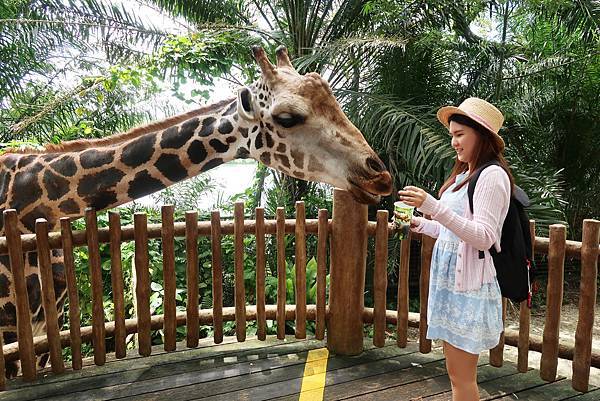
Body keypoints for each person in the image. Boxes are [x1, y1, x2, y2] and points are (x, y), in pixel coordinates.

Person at [398, 97, 514, 401]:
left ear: (481, 135)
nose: (454, 142)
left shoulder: (492, 176)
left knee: (463, 379)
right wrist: (421, 225)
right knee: (455, 375)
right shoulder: (464, 176)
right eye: (452, 135)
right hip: (449, 286)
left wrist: (433, 207)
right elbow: (452, 232)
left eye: (460, 134)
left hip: (468, 288)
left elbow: (484, 237)